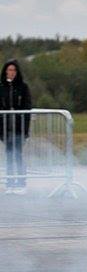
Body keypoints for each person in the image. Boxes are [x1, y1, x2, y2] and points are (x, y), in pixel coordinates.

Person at [0, 59, 31, 195]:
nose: (11, 72)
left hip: (19, 128)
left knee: (18, 155)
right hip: (5, 128)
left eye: (13, 70)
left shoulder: (23, 87)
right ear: (5, 71)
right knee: (9, 156)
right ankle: (10, 183)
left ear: (17, 72)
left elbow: (27, 108)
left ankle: (21, 183)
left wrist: (25, 130)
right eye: (9, 70)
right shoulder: (1, 87)